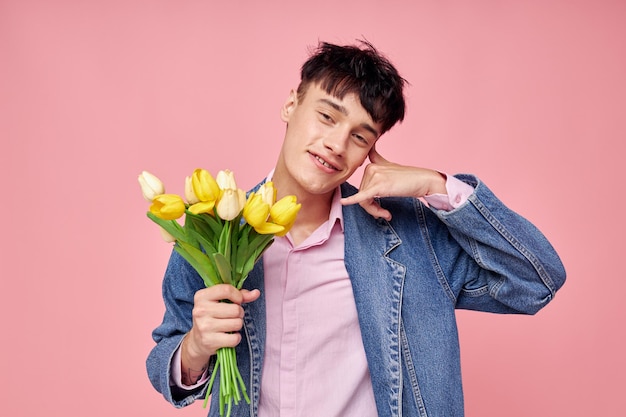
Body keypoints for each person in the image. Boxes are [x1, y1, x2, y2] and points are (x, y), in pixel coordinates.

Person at [146, 40, 566, 417]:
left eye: (359, 137)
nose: (336, 144)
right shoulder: (216, 230)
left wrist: (435, 185)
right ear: (291, 104)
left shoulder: (410, 238)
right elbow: (166, 357)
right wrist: (195, 349)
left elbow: (535, 281)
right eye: (327, 116)